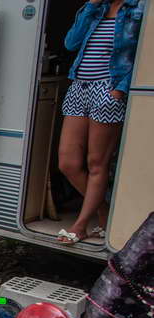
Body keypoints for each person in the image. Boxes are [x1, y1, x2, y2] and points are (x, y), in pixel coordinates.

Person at [57, 0, 146, 244]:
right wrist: (91, 5)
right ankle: (104, 210)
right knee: (68, 163)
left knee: (96, 163)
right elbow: (70, 43)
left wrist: (119, 90)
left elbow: (144, 52)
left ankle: (80, 225)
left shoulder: (138, 9)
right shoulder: (97, 8)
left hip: (107, 88)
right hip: (79, 86)